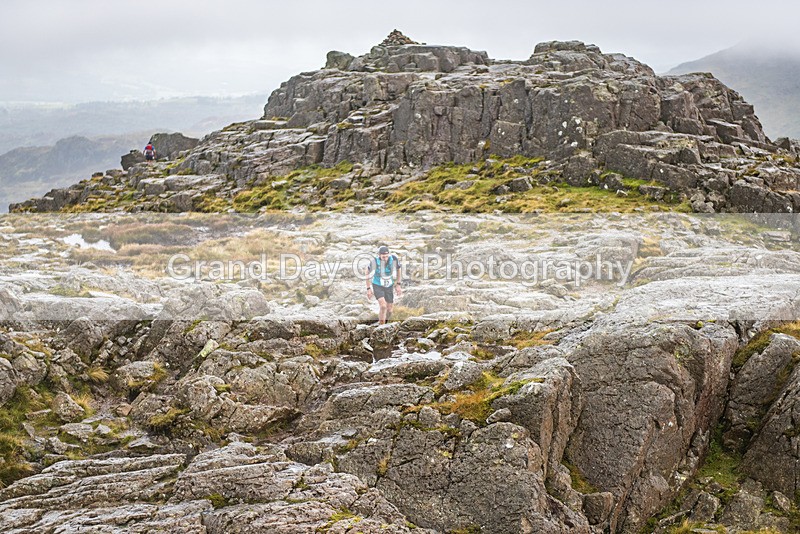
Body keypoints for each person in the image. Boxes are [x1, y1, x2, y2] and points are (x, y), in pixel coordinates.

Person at [366, 245, 402, 324]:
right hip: (377, 285)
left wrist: (398, 284)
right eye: (383, 257)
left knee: (389, 310)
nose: (385, 259)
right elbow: (367, 273)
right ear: (379, 255)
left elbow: (399, 269)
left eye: (386, 256)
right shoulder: (374, 262)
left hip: (389, 285)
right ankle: (381, 327)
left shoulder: (394, 259)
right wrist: (368, 288)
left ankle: (384, 322)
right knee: (383, 306)